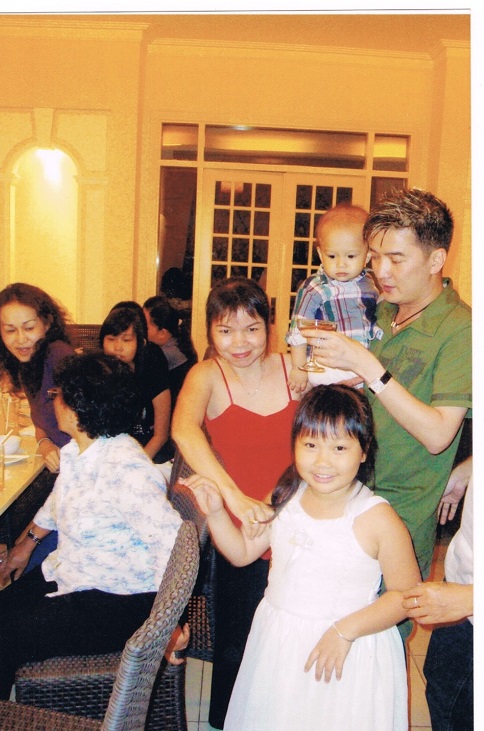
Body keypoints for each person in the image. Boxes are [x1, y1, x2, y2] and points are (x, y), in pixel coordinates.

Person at [184, 385, 420, 731]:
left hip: (345, 648)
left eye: (339, 448)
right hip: (279, 640)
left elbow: (407, 596)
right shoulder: (288, 492)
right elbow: (242, 553)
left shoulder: (376, 517)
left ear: (364, 451)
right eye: (310, 445)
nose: (322, 461)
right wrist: (217, 513)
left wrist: (345, 631)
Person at [300, 188, 472, 593]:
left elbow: (438, 434)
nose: (381, 271)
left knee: (386, 620)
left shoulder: (460, 329)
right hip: (345, 489)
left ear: (436, 260)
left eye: (396, 258)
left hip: (401, 511)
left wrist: (367, 365)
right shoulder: (379, 309)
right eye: (375, 257)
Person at [0, 352, 184, 700]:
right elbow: (58, 501)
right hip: (73, 572)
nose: (54, 399)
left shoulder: (125, 468)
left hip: (118, 600)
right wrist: (27, 544)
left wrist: (165, 624)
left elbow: (174, 545)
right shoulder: (79, 451)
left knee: (0, 636)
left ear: (77, 411)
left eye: (58, 394)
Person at [172, 276, 302, 729]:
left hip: (295, 515)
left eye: (251, 329)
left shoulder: (293, 368)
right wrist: (235, 497)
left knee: (292, 634)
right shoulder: (206, 375)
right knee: (239, 639)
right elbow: (183, 429)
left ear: (269, 326)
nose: (240, 343)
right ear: (210, 331)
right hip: (240, 527)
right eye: (225, 331)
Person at [0, 283, 74, 568]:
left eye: (28, 327)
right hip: (59, 472)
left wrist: (27, 542)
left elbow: (92, 445)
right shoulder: (28, 362)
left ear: (47, 323)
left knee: (14, 547)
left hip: (79, 486)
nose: (20, 339)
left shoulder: (58, 356)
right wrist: (44, 443)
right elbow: (40, 421)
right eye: (10, 330)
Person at [403, 456, 473, 731]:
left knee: (458, 711)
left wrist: (470, 598)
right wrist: (469, 470)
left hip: (468, 599)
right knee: (441, 686)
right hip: (462, 574)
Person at [286, 204, 381, 391]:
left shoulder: (370, 283)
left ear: (368, 255)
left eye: (351, 256)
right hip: (328, 365)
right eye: (331, 256)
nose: (341, 264)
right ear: (321, 254)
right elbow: (298, 329)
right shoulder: (315, 287)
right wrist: (298, 368)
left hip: (361, 362)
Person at [100, 305, 174, 464]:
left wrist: (135, 465)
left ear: (141, 343)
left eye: (126, 340)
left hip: (153, 457)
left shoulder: (152, 369)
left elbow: (161, 435)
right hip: (115, 458)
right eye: (111, 339)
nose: (117, 347)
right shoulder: (99, 374)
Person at [143, 295, 198, 409]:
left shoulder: (168, 354)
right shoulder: (177, 341)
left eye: (144, 326)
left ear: (162, 333)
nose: (140, 329)